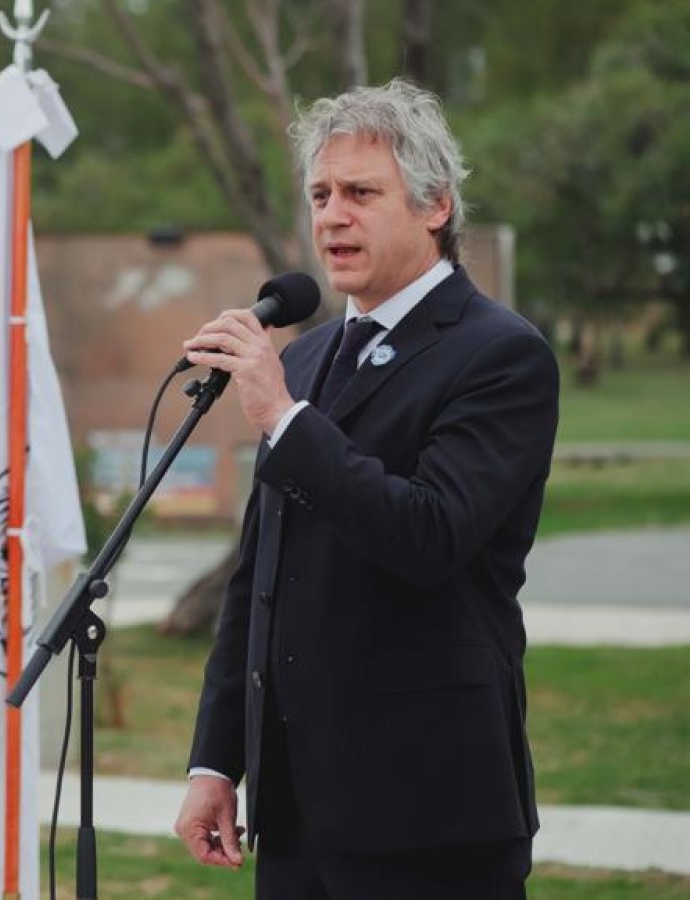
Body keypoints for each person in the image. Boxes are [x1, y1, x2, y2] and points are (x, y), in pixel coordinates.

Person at [172, 78, 558, 899]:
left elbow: (431, 534)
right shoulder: (305, 359)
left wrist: (283, 418)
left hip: (431, 811)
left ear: (434, 207)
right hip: (298, 816)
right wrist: (216, 761)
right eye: (320, 194)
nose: (332, 215)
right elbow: (259, 580)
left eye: (360, 193)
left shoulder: (501, 355)